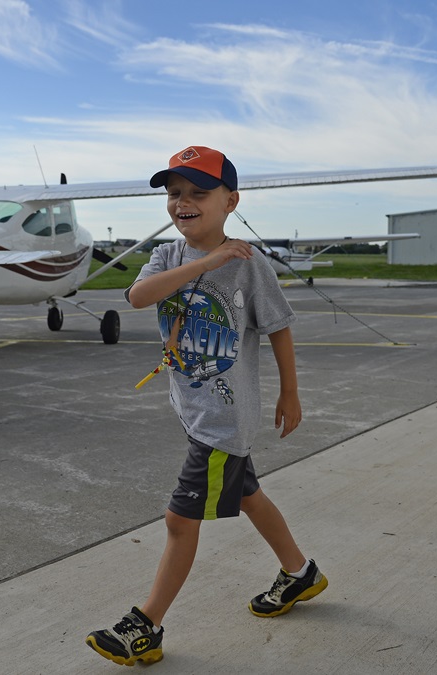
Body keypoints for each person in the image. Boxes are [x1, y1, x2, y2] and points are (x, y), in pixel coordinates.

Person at [85, 146, 327, 667]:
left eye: (199, 192)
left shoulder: (249, 264)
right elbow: (137, 296)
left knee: (179, 520)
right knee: (246, 494)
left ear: (231, 201)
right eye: (175, 193)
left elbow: (279, 326)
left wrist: (290, 391)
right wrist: (207, 261)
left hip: (224, 416)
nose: (183, 202)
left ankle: (145, 626)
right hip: (194, 407)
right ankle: (299, 572)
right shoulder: (168, 257)